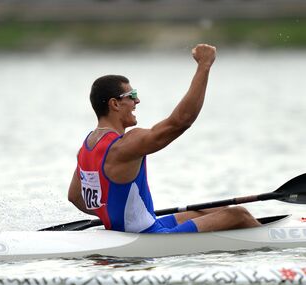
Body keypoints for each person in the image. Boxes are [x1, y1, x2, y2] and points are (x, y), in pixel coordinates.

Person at [68, 44, 260, 233]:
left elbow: (75, 197)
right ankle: (274, 246)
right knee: (239, 215)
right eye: (132, 95)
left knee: (213, 210)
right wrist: (204, 66)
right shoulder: (124, 145)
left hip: (128, 229)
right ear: (115, 104)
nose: (137, 101)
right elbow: (180, 122)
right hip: (150, 234)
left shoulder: (86, 148)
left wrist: (112, 215)